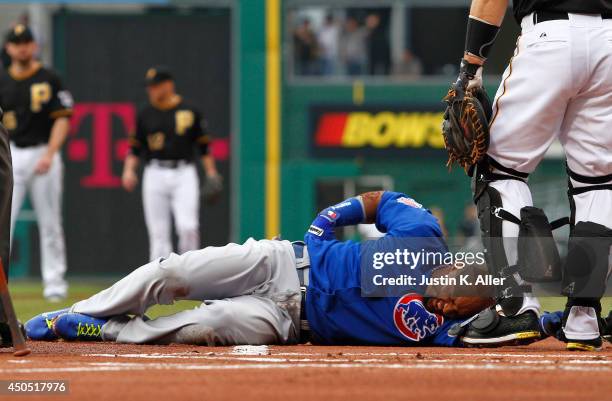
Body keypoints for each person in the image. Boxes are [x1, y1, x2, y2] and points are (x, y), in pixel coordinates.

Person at [25, 191, 484, 346]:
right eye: (455, 294)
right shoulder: (425, 236)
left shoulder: (443, 328)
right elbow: (380, 201)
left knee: (206, 325)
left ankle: (100, 332)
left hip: (290, 322)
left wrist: (550, 320)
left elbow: (516, 326)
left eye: (457, 309)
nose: (446, 306)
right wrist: (330, 217)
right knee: (169, 273)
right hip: (282, 262)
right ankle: (78, 311)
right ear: (462, 265)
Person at [446, 0, 612, 351]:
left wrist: (470, 66)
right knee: (597, 183)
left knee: (499, 169)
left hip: (550, 36)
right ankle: (584, 319)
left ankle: (516, 307)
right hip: (609, 42)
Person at [0, 25, 73, 302]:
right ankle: (1, 288)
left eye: (27, 42)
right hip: (11, 153)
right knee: (2, 223)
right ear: (8, 48)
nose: (22, 47)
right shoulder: (2, 80)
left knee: (51, 223)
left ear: (35, 46)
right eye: (17, 42)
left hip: (44, 151)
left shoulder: (50, 77)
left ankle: (55, 285)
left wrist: (51, 153)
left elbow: (62, 118)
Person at [122, 66, 221, 262]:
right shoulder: (145, 114)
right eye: (149, 87)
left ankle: (190, 275)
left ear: (168, 85)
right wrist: (128, 170)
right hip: (155, 172)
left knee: (188, 227)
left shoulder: (190, 111)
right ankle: (160, 284)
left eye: (155, 86)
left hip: (184, 172)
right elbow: (135, 148)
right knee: (158, 234)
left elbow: (203, 147)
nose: (151, 90)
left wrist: (211, 173)